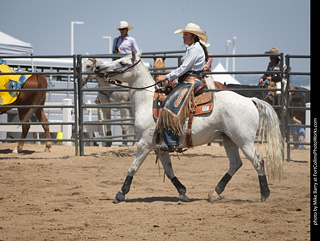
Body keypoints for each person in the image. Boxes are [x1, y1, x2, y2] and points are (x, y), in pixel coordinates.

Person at [157, 23, 208, 152]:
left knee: (170, 102)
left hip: (191, 81)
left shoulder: (195, 49)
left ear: (193, 36)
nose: (183, 37)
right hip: (187, 80)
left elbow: (184, 68)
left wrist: (167, 77)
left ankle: (172, 140)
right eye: (183, 34)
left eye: (185, 35)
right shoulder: (192, 48)